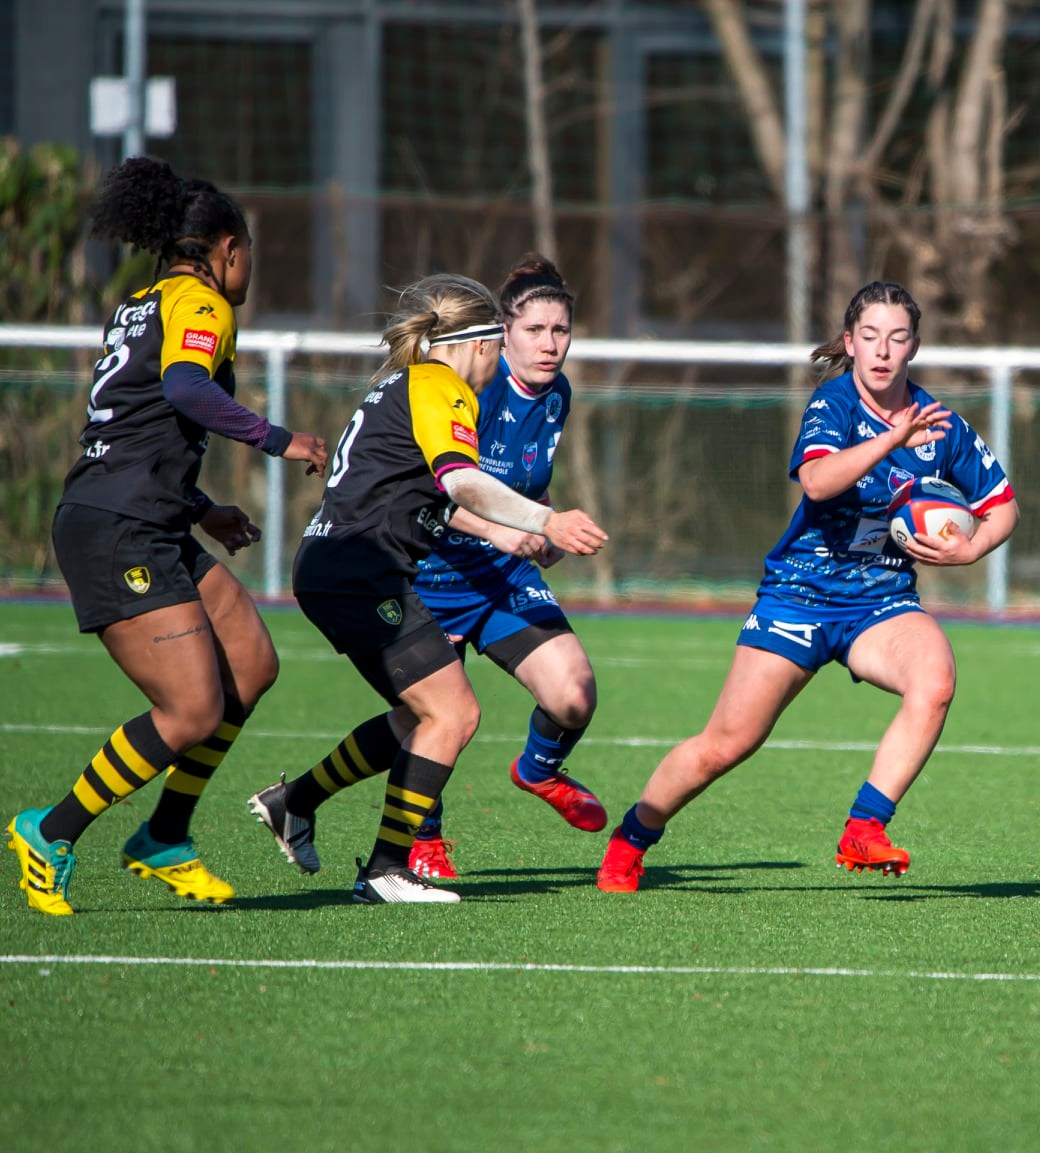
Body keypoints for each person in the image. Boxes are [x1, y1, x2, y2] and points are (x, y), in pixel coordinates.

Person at [594, 280, 1019, 892]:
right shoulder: (834, 404)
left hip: (881, 601)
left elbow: (1002, 505)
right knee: (725, 745)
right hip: (800, 594)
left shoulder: (940, 423)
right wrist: (891, 441)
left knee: (936, 681)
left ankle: (865, 827)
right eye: (869, 337)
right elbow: (818, 482)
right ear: (849, 342)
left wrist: (972, 546)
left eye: (897, 339)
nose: (882, 350)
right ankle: (633, 837)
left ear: (914, 347)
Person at [7, 157, 328, 916]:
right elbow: (184, 389)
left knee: (248, 665)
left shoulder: (144, 302)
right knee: (190, 711)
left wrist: (200, 507)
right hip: (118, 528)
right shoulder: (202, 304)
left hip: (141, 514)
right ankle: (49, 830)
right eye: (246, 251)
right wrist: (278, 439)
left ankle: (166, 834)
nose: (247, 267)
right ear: (226, 248)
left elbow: (138, 425)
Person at [248, 274, 607, 904]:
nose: (504, 354)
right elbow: (462, 485)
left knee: (425, 711)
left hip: (349, 565)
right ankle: (388, 868)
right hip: (362, 570)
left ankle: (297, 804)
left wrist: (524, 528)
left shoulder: (406, 382)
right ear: (474, 343)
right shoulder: (443, 386)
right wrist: (543, 521)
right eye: (501, 339)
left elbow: (414, 494)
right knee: (452, 712)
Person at [377, 255, 603, 879]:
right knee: (430, 717)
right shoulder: (470, 385)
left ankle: (538, 769)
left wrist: (545, 526)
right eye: (536, 331)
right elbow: (434, 493)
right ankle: (422, 839)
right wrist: (509, 531)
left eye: (560, 331)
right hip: (430, 579)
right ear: (503, 333)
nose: (550, 345)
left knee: (574, 696)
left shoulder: (556, 393)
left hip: (502, 580)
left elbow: (531, 488)